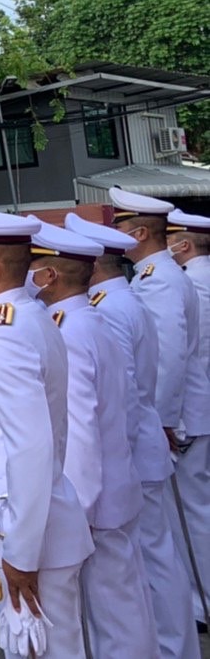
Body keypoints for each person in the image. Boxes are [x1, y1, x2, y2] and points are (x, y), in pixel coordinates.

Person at [0, 202, 92, 659]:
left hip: (16, 527)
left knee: (45, 650)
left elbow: (30, 448)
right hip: (15, 522)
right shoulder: (19, 318)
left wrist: (22, 553)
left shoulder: (6, 332)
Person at [29, 221, 153, 657]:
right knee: (123, 605)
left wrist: (76, 510)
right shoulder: (89, 321)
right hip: (114, 487)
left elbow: (79, 429)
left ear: (50, 276)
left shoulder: (70, 332)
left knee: (115, 616)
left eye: (33, 264)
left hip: (93, 502)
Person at [67, 212, 173, 655]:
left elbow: (121, 397)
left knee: (138, 579)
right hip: (135, 451)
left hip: (124, 456)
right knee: (149, 568)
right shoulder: (124, 300)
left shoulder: (106, 310)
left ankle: (171, 647)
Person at [111, 185, 202, 657]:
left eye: (120, 227)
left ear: (141, 233)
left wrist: (165, 421)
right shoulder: (156, 275)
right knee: (167, 538)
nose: (115, 236)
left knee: (168, 539)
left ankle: (178, 638)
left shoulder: (159, 279)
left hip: (168, 420)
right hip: (169, 418)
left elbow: (166, 359)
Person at [167, 208, 210, 626]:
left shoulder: (193, 282)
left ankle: (203, 602)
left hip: (190, 413)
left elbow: (184, 355)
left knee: (191, 513)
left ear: (184, 243)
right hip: (198, 408)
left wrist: (171, 417)